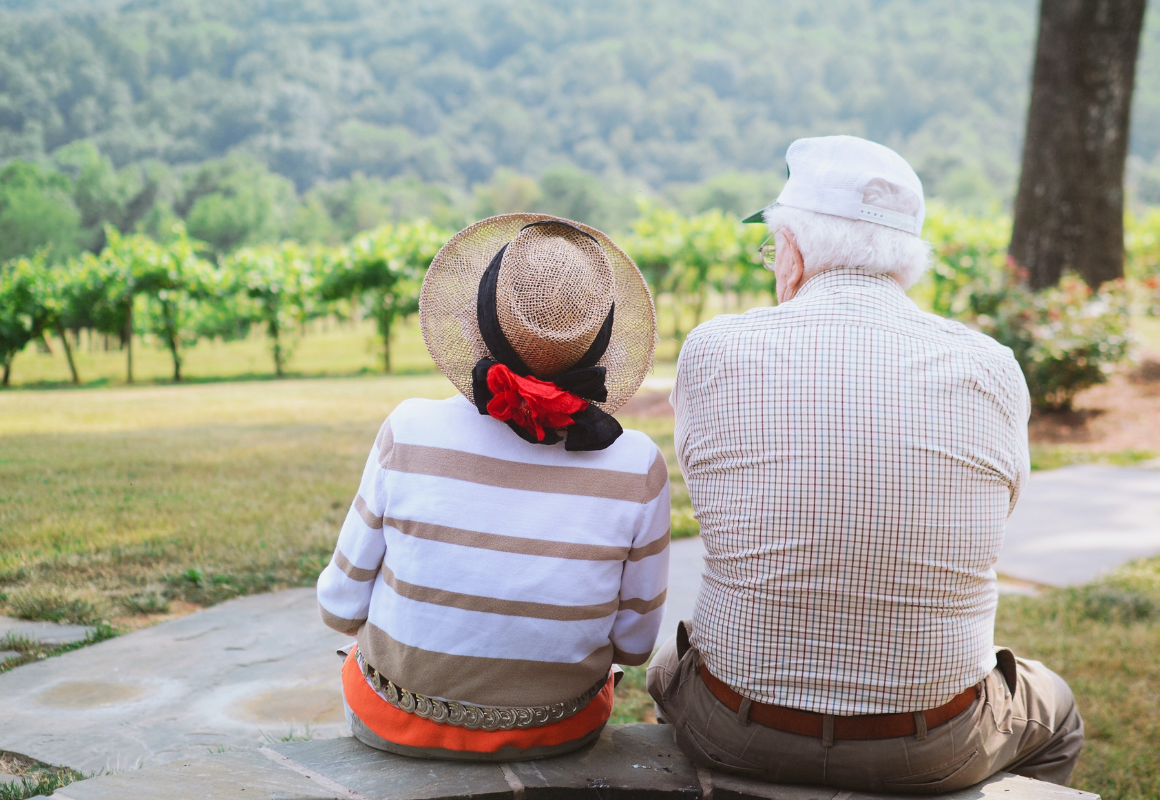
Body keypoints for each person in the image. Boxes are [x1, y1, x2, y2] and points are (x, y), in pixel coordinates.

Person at [647, 136, 1084, 792]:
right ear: (906, 258)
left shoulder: (715, 348)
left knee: (666, 669)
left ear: (792, 248)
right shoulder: (991, 365)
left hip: (735, 727)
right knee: (1060, 711)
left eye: (772, 246)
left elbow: (713, 490)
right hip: (937, 742)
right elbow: (1000, 508)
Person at [318, 214, 670, 761]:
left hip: (395, 718)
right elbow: (636, 646)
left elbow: (339, 605)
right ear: (599, 342)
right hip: (559, 729)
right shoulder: (637, 463)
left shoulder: (409, 429)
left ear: (479, 320)